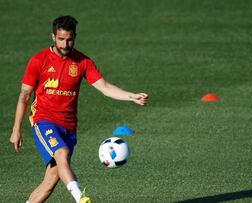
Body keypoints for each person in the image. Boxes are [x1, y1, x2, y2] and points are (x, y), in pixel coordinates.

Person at [9, 15, 148, 203]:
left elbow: (105, 87)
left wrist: (131, 96)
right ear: (53, 37)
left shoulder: (83, 62)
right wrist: (16, 129)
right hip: (43, 119)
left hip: (69, 126)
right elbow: (24, 96)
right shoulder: (38, 61)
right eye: (61, 39)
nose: (65, 44)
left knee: (50, 182)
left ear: (75, 37)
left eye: (69, 39)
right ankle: (81, 198)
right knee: (62, 153)